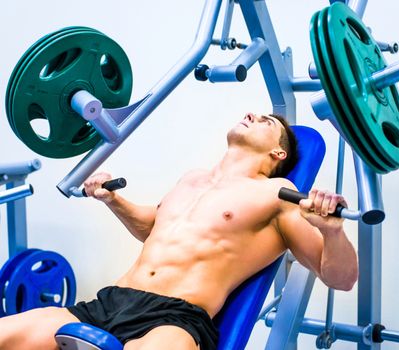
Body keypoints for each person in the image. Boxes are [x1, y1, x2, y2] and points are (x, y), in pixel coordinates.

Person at [0, 113, 358, 350]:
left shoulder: (276, 196)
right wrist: (114, 200)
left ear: (278, 151)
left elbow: (340, 278)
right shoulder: (192, 179)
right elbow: (153, 228)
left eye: (264, 120)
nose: (250, 115)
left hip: (172, 321)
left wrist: (333, 232)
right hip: (108, 302)